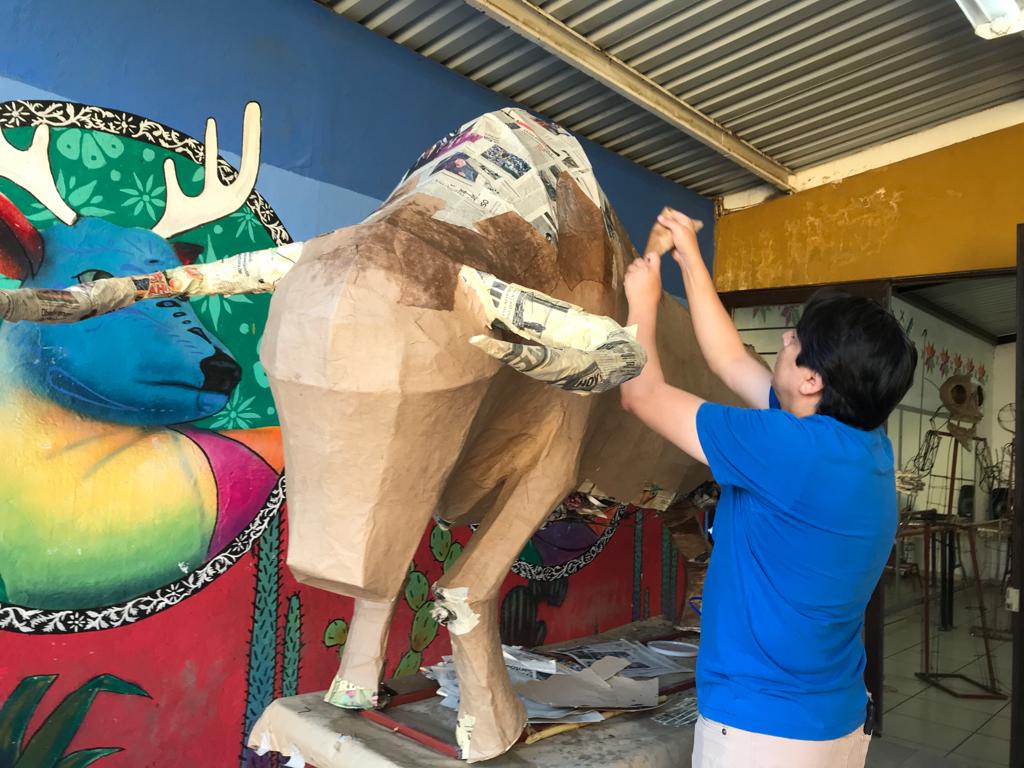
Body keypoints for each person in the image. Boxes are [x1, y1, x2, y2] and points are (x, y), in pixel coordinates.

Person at [620, 209, 917, 768]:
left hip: (762, 733)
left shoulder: (788, 450)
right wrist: (687, 256)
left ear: (811, 380)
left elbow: (641, 395)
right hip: (834, 721)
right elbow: (730, 358)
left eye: (795, 338)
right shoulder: (862, 441)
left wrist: (642, 302)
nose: (783, 336)